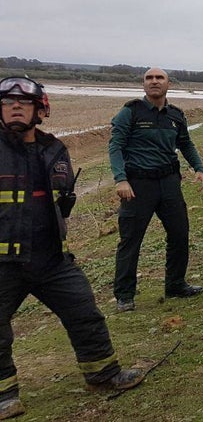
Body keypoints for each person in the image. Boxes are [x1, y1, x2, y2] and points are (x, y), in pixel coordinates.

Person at [0, 77, 145, 419]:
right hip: (4, 261)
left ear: (40, 110)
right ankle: (5, 398)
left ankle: (103, 374)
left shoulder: (55, 150)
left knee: (84, 313)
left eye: (23, 103)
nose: (15, 107)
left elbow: (62, 201)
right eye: (7, 103)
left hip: (51, 258)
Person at [108, 68, 203, 312]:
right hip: (137, 186)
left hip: (169, 183)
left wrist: (199, 167)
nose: (154, 81)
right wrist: (121, 180)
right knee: (131, 240)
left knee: (179, 234)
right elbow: (115, 147)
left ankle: (175, 285)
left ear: (168, 84)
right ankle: (125, 295)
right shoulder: (129, 113)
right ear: (143, 85)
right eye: (149, 78)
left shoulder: (176, 115)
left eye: (159, 78)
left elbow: (185, 143)